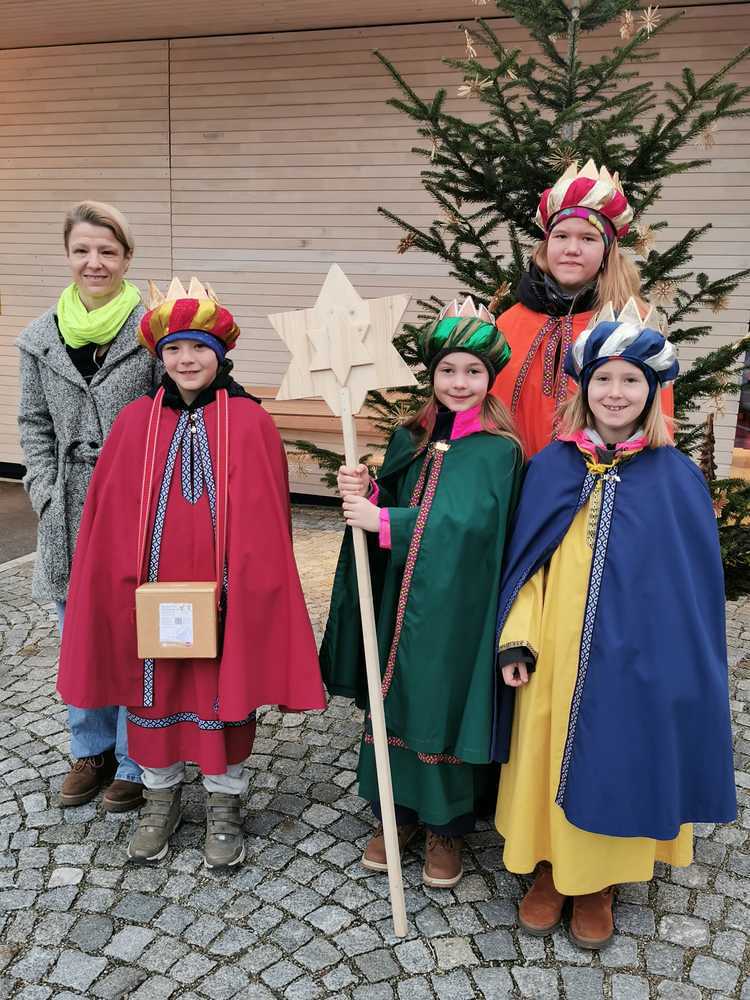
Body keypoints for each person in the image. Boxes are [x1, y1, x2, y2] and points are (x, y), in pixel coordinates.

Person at [56, 278, 326, 868]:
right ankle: (160, 797)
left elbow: (266, 521)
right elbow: (108, 517)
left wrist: (248, 589)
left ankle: (225, 801)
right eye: (174, 348)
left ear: (220, 353)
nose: (186, 359)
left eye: (198, 347)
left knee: (222, 690)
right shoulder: (135, 422)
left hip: (226, 595)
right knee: (153, 691)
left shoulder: (250, 422)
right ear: (160, 357)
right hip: (150, 597)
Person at [493, 300, 736, 948]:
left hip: (636, 661)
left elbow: (689, 595)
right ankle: (550, 867)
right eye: (604, 378)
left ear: (652, 392)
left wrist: (676, 668)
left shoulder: (675, 477)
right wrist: (517, 637)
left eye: (631, 380)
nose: (616, 392)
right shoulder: (552, 467)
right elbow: (529, 567)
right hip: (554, 655)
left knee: (621, 755)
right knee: (549, 753)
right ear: (585, 388)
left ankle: (598, 882)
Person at [320, 298, 523, 888]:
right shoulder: (410, 438)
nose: (459, 382)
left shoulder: (500, 451)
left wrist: (387, 522)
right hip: (400, 603)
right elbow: (391, 503)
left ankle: (445, 827)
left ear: (490, 377)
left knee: (442, 703)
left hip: (458, 611)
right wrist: (368, 493)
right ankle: (396, 814)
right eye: (448, 370)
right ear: (432, 375)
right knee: (396, 698)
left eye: (473, 372)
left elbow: (472, 528)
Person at [17, 200, 157, 813]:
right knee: (80, 635)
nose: (94, 262)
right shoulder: (41, 337)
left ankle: (133, 757)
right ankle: (89, 749)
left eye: (107, 251)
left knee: (133, 633)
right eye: (82, 250)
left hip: (135, 507)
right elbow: (33, 423)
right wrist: (45, 492)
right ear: (68, 255)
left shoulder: (152, 331)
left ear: (126, 258)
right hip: (69, 512)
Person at [490, 159, 672, 457]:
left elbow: (657, 425)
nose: (571, 249)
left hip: (600, 479)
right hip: (513, 478)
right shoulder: (510, 323)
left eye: (588, 238)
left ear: (607, 251)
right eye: (561, 236)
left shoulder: (635, 326)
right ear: (547, 244)